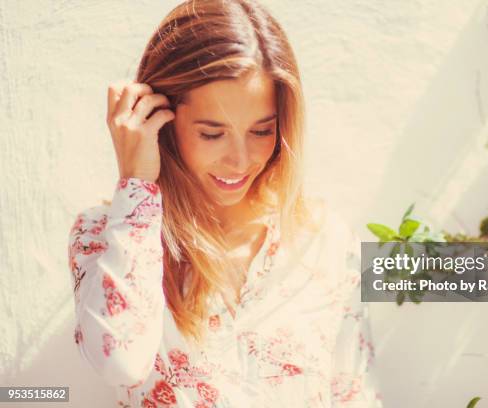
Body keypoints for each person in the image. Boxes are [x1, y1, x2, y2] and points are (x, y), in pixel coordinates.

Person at [67, 0, 382, 406]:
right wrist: (137, 184)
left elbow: (355, 394)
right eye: (212, 134)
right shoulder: (104, 235)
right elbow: (120, 363)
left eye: (261, 130)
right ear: (162, 121)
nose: (240, 160)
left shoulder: (324, 241)